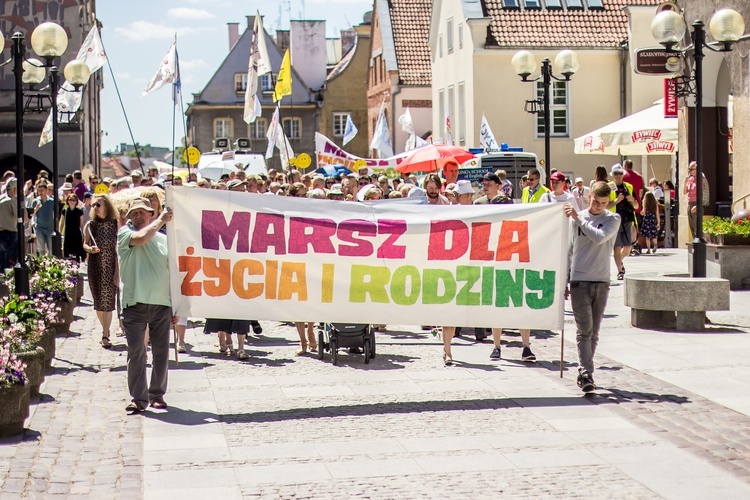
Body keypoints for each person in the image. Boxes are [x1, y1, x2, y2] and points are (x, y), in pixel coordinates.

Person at [118, 197, 174, 413]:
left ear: (150, 213)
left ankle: (157, 394)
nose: (138, 216)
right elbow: (141, 238)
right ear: (130, 217)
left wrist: (176, 305)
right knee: (136, 352)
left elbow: (173, 273)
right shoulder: (125, 233)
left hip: (161, 303)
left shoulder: (163, 240)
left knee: (161, 352)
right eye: (134, 213)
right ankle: (138, 398)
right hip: (134, 303)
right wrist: (161, 220)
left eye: (142, 212)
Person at [564, 181, 621, 392]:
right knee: (584, 331)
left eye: (603, 203)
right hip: (579, 279)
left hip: (602, 279)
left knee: (594, 332)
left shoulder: (612, 218)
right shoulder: (577, 218)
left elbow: (599, 238)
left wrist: (578, 219)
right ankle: (587, 372)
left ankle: (584, 370)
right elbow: (569, 250)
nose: (598, 206)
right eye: (596, 201)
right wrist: (564, 279)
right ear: (590, 197)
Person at [84, 194, 120, 348]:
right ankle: (105, 329)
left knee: (109, 300)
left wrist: (117, 271)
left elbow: (119, 248)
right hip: (95, 265)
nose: (95, 207)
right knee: (99, 301)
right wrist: (90, 249)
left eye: (98, 204)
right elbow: (84, 244)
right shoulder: (90, 225)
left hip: (111, 264)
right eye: (93, 205)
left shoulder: (115, 223)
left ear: (106, 205)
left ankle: (105, 334)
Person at [609, 163, 638, 280]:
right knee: (616, 247)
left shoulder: (629, 187)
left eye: (620, 173)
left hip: (627, 219)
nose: (618, 176)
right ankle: (620, 271)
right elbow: (605, 205)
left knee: (627, 248)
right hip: (613, 219)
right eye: (616, 173)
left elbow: (636, 206)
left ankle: (619, 262)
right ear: (612, 175)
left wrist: (632, 200)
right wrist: (616, 201)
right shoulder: (609, 187)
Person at [683, 161, 706, 238]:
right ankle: (694, 243)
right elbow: (685, 192)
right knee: (691, 226)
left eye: (691, 169)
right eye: (689, 169)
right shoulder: (690, 179)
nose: (689, 171)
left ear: (696, 169)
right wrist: (685, 182)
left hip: (697, 203)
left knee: (697, 226)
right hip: (690, 203)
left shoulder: (701, 179)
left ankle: (699, 243)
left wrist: (697, 206)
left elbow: (703, 193)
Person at [31, 181, 55, 255]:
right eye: (39, 191)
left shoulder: (51, 201)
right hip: (40, 227)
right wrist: (36, 208)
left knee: (51, 248)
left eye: (42, 190)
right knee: (41, 249)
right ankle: (42, 263)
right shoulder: (35, 201)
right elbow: (31, 214)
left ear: (46, 190)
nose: (40, 192)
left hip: (50, 227)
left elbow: (55, 213)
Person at [60, 194, 85, 261]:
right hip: (67, 233)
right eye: (70, 199)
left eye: (74, 200)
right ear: (67, 201)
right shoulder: (64, 211)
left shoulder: (79, 211)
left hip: (76, 234)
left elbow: (82, 224)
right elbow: (61, 223)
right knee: (67, 253)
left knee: (77, 253)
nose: (72, 201)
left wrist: (84, 234)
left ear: (76, 201)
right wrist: (60, 233)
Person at [0, 178, 18, 270]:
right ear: (14, 189)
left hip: (1, 234)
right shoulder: (10, 201)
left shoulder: (1, 198)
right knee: (10, 261)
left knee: (2, 260)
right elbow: (18, 216)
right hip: (10, 234)